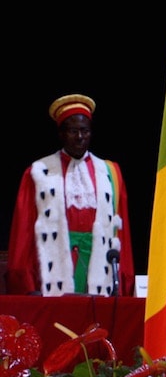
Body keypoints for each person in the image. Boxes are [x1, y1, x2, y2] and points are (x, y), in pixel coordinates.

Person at [6, 94, 135, 296]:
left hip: (98, 263)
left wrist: (124, 277)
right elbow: (23, 230)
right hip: (52, 265)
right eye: (73, 131)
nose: (80, 137)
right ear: (61, 134)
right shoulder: (39, 171)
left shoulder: (110, 172)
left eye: (85, 131)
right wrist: (26, 282)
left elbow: (121, 232)